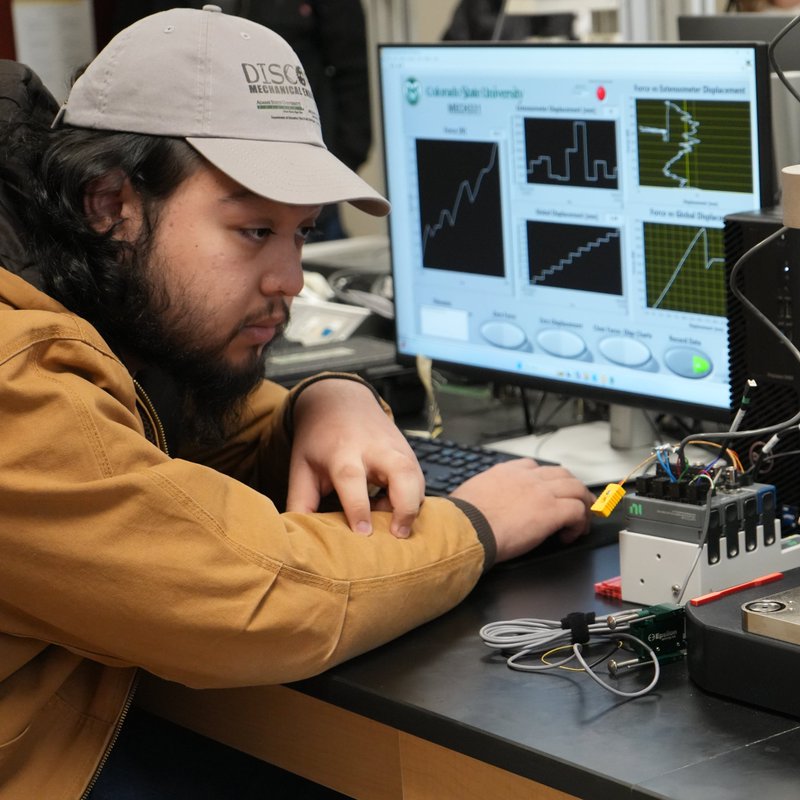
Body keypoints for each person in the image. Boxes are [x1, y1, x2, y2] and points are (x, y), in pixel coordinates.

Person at [0, 6, 592, 797]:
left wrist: (327, 396)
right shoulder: (15, 370)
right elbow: (245, 598)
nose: (289, 279)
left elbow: (196, 431)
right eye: (252, 231)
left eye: (301, 233)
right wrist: (479, 525)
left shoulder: (97, 298)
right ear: (112, 204)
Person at [103, 0, 372, 242]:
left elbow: (353, 71)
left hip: (303, 173)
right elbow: (128, 69)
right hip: (189, 179)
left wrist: (329, 172)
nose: (292, 282)